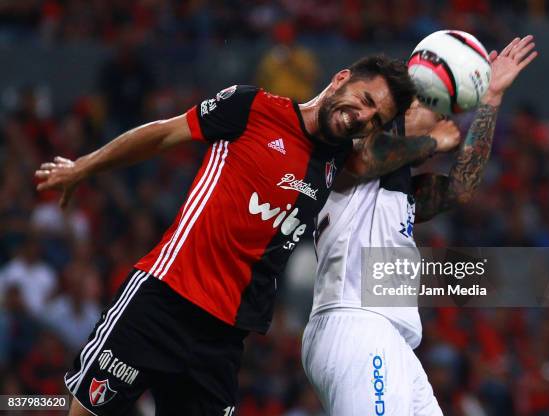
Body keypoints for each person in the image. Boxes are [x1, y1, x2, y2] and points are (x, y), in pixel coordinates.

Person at [35, 55, 454, 416]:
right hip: (163, 299)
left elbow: (385, 159)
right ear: (342, 77)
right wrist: (82, 167)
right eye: (364, 100)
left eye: (374, 118)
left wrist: (460, 113)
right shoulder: (252, 106)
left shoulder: (340, 161)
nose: (362, 116)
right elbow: (163, 133)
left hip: (222, 338)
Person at [302, 35, 538, 415]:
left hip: (390, 338)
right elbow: (368, 159)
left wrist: (491, 98)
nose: (445, 118)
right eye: (435, 107)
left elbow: (461, 189)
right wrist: (431, 138)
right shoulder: (353, 147)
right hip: (358, 324)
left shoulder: (397, 188)